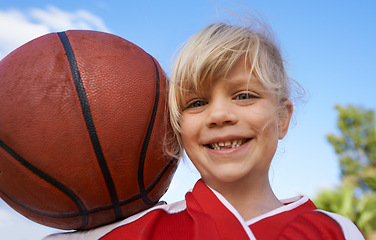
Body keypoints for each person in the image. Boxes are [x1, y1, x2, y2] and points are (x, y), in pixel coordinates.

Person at [44, 20, 364, 240]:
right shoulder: (133, 232)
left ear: (282, 118)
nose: (219, 115)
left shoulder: (336, 230)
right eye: (196, 102)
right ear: (178, 127)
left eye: (244, 96)